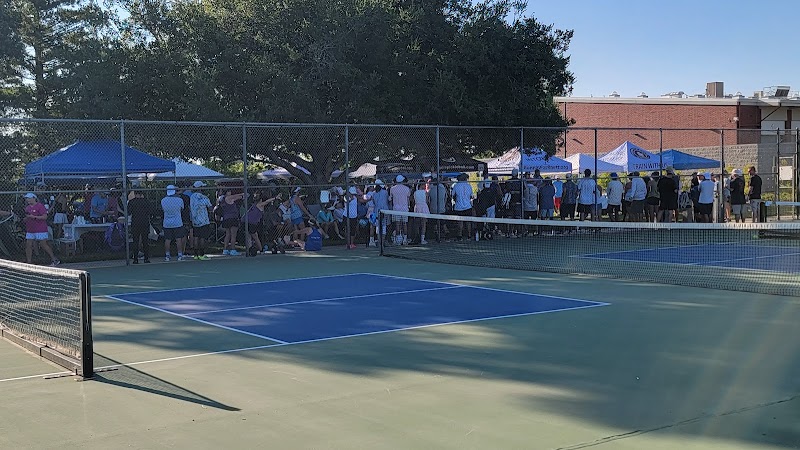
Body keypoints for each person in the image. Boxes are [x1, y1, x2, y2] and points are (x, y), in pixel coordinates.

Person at [23, 193, 59, 266]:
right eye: (27, 198)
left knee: (43, 244)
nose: (28, 200)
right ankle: (28, 262)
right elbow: (26, 218)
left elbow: (45, 217)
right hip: (30, 229)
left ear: (34, 198)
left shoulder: (40, 206)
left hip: (40, 229)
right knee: (28, 245)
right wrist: (26, 219)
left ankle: (54, 259)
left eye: (29, 198)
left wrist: (34, 217)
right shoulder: (27, 208)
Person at [189, 181, 214, 260]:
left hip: (195, 220)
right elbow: (210, 208)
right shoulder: (204, 197)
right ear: (200, 188)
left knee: (196, 237)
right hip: (203, 220)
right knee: (202, 238)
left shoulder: (192, 197)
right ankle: (202, 254)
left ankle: (196, 255)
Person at [161, 185, 187, 261]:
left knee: (167, 240)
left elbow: (163, 210)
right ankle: (180, 255)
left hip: (167, 223)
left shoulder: (163, 200)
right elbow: (182, 209)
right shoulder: (179, 200)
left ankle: (167, 256)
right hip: (177, 223)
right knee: (178, 239)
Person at [128, 190, 152, 264]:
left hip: (135, 222)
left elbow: (129, 212)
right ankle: (146, 258)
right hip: (144, 222)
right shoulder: (146, 201)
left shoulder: (131, 202)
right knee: (145, 241)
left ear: (135, 194)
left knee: (135, 241)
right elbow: (150, 211)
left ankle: (135, 259)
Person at [218, 188, 244, 256]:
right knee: (233, 235)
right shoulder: (227, 198)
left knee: (228, 234)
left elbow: (238, 198)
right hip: (232, 219)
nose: (230, 192)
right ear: (226, 192)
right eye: (229, 191)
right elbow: (236, 196)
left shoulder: (223, 199)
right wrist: (242, 194)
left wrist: (241, 196)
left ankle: (225, 250)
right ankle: (233, 250)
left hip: (226, 219)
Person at [389, 175, 412, 245]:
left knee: (397, 224)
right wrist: (408, 206)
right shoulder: (407, 188)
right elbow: (408, 199)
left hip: (396, 209)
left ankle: (398, 239)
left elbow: (390, 199)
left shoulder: (392, 189)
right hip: (405, 208)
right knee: (405, 224)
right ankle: (405, 239)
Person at [412, 180, 430, 245]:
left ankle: (418, 237)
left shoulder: (415, 192)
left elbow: (414, 201)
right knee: (423, 224)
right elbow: (427, 201)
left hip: (417, 207)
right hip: (424, 207)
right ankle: (422, 239)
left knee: (417, 223)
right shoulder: (425, 192)